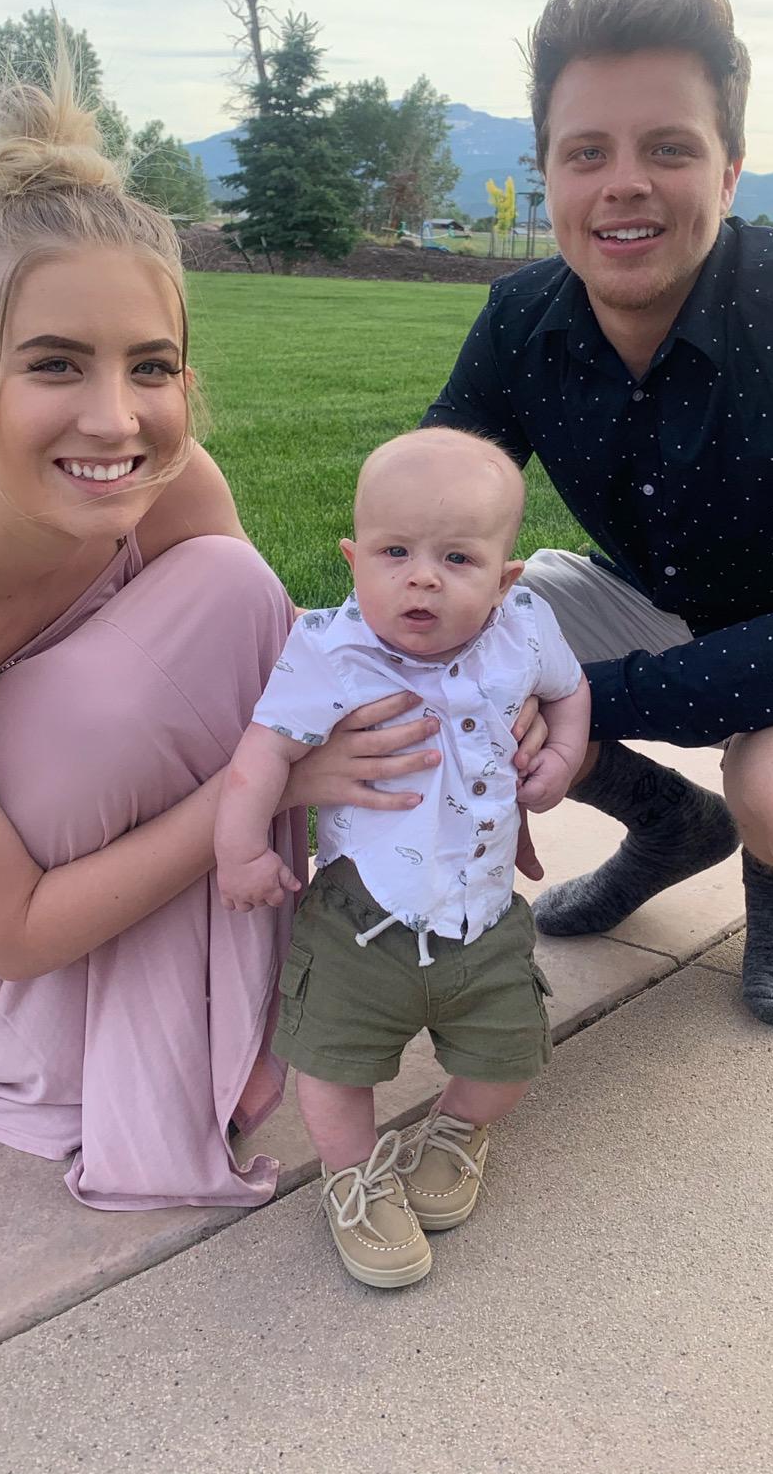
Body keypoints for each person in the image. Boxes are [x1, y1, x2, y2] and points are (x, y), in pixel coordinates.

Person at [0, 61, 441, 1209]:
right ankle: (91, 1042)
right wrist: (265, 783)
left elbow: (283, 669)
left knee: (233, 590)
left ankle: (194, 993)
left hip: (80, 807)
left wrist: (478, 711)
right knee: (130, 707)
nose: (117, 420)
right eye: (55, 365)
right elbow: (13, 928)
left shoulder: (164, 479)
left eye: (152, 367)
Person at [425, 0, 773, 1029]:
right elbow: (421, 523)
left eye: (669, 147)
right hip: (646, 599)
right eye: (588, 152)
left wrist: (574, 700)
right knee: (425, 640)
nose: (625, 183)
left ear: (730, 171)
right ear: (549, 173)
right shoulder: (522, 319)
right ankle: (670, 822)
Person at [214, 429, 590, 1286]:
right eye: (395, 553)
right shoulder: (330, 652)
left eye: (457, 558)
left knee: (509, 1056)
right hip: (360, 919)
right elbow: (262, 754)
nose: (422, 577)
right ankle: (352, 1176)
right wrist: (239, 851)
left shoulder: (525, 632)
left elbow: (572, 691)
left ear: (505, 580)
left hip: (483, 917)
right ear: (354, 560)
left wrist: (563, 755)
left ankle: (457, 1129)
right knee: (332, 1064)